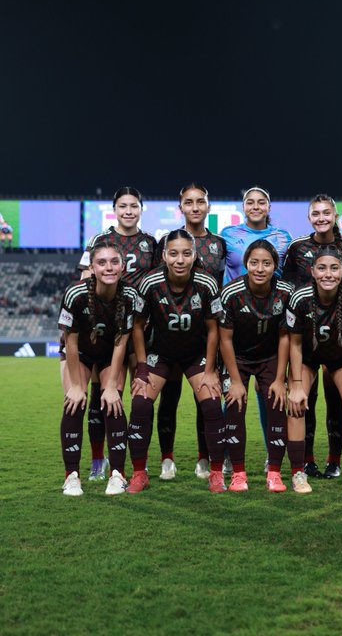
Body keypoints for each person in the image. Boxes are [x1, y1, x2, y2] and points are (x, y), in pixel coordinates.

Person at [127, 229, 226, 493]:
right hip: (160, 352)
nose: (179, 260)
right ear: (164, 256)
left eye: (185, 253)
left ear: (194, 255)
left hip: (195, 353)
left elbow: (214, 329)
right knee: (140, 403)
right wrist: (141, 367)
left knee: (213, 404)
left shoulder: (206, 283)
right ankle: (139, 473)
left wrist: (210, 369)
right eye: (173, 254)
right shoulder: (150, 282)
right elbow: (137, 327)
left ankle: (216, 474)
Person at [77, 187, 157, 481]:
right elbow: (85, 276)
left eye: (133, 206)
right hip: (107, 327)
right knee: (101, 396)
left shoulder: (150, 242)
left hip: (138, 327)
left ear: (140, 209)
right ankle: (99, 459)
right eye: (122, 206)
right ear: (114, 209)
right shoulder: (100, 240)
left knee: (140, 398)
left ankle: (139, 460)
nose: (128, 211)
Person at [282, 193, 342, 479]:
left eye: (326, 213)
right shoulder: (296, 247)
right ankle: (307, 461)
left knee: (338, 400)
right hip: (306, 335)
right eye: (315, 213)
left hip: (339, 333)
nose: (321, 218)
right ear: (309, 217)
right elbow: (287, 283)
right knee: (305, 397)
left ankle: (335, 460)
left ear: (335, 215)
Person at [154, 183, 227, 481]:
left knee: (205, 398)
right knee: (169, 397)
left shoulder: (220, 244)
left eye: (200, 202)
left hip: (205, 334)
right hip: (168, 334)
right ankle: (167, 459)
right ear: (180, 207)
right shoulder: (167, 241)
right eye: (189, 202)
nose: (195, 207)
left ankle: (204, 458)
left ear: (208, 207)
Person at [285, 245, 342, 494]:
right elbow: (295, 342)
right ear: (312, 271)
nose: (328, 274)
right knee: (296, 404)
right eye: (322, 268)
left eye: (334, 268)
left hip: (341, 358)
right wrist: (297, 384)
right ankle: (297, 473)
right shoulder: (300, 298)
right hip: (308, 358)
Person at [58, 239, 139, 496]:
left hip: (109, 353)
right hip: (78, 353)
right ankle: (71, 476)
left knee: (112, 401)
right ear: (92, 267)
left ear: (122, 265)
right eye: (101, 262)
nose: (108, 267)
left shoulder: (129, 296)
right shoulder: (75, 293)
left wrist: (113, 385)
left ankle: (117, 474)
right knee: (75, 402)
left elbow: (121, 342)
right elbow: (69, 342)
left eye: (114, 261)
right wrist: (77, 386)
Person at [220, 186, 292, 470]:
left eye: (261, 202)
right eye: (250, 202)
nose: (256, 206)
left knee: (269, 395)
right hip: (235, 319)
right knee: (232, 393)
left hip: (269, 319)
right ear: (243, 207)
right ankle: (226, 455)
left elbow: (288, 276)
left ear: (269, 207)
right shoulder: (227, 234)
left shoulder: (282, 237)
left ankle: (269, 456)